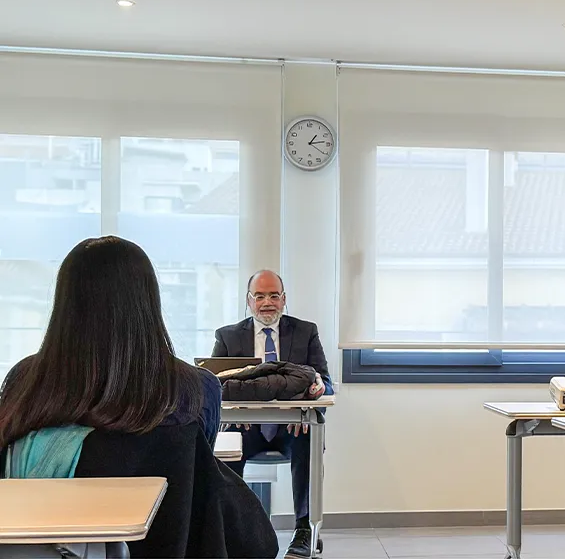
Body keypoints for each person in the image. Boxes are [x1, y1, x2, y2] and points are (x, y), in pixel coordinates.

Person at [0, 236, 276, 557]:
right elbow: (198, 489)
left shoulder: (26, 380)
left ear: (65, 303)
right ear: (148, 301)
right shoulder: (194, 388)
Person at [213, 269, 333, 558]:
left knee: (310, 439)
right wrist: (237, 411)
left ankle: (304, 531)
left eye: (274, 296)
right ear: (249, 300)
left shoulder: (305, 332)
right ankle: (234, 531)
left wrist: (305, 400)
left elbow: (324, 382)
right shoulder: (228, 336)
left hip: (292, 428)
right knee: (225, 446)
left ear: (284, 299)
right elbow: (215, 385)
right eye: (260, 296)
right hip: (246, 429)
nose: (267, 302)